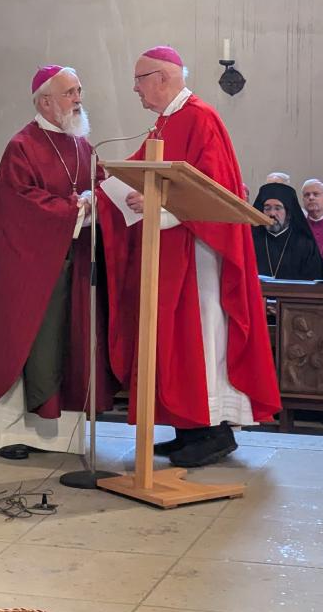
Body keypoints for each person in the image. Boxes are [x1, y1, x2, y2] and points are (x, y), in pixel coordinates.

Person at [100, 46, 280, 469]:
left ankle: (212, 432)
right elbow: (140, 172)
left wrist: (157, 208)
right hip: (171, 250)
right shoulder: (166, 122)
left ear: (162, 78)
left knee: (201, 340)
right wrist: (111, 184)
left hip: (200, 252)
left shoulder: (200, 117)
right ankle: (189, 430)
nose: (135, 89)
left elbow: (212, 189)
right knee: (174, 341)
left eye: (139, 80)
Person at [0, 65, 115, 459]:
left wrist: (99, 199)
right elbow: (21, 205)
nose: (78, 99)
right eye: (70, 93)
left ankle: (56, 436)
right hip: (27, 270)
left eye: (79, 91)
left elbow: (100, 184)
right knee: (24, 342)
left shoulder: (81, 144)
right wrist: (74, 209)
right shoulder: (21, 146)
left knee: (66, 343)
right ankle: (9, 434)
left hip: (70, 266)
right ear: (45, 101)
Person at [252, 182, 323, 280]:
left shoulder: (305, 245)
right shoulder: (251, 241)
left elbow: (313, 283)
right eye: (267, 208)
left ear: (289, 214)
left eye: (278, 208)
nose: (272, 213)